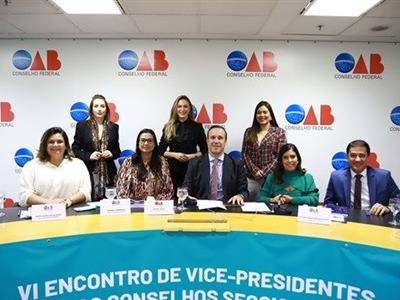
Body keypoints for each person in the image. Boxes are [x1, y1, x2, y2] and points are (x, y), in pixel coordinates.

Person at [324, 139, 400, 216]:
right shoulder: (336, 177)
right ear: (347, 157)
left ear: (368, 157)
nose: (357, 159)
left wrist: (388, 208)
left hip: (375, 220)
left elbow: (398, 200)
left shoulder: (384, 176)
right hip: (347, 221)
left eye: (362, 155)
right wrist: (340, 211)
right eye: (353, 155)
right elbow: (328, 203)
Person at [19, 127, 91, 207]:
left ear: (66, 145)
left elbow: (85, 192)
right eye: (51, 142)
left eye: (59, 142)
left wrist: (69, 200)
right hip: (42, 214)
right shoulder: (31, 166)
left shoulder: (78, 164)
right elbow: (25, 195)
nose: (55, 145)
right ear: (45, 145)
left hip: (72, 213)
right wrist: (50, 202)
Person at [183, 125, 248, 205]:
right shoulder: (194, 163)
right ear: (207, 141)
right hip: (201, 209)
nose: (216, 141)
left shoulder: (237, 164)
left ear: (225, 141)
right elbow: (185, 188)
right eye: (212, 137)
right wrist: (187, 196)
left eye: (220, 138)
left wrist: (240, 196)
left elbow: (244, 191)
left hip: (228, 207)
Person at [72, 94, 121, 201]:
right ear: (91, 109)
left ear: (106, 109)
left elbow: (117, 151)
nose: (99, 109)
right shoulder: (82, 126)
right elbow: (75, 149)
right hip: (89, 171)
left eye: (102, 106)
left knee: (109, 203)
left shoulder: (114, 127)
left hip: (109, 173)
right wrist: (89, 156)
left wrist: (111, 153)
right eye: (96, 106)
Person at [159, 95, 207, 197]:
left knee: (191, 197)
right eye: (179, 106)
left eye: (185, 106)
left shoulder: (197, 127)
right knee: (174, 198)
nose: (182, 109)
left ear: (190, 109)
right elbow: (160, 150)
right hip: (173, 170)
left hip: (192, 168)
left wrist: (190, 156)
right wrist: (175, 155)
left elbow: (205, 150)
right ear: (175, 109)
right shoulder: (168, 127)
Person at [242, 101, 287, 202]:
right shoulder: (249, 131)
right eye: (259, 112)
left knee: (269, 207)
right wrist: (255, 171)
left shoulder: (279, 132)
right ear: (255, 115)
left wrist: (263, 172)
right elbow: (244, 153)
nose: (262, 115)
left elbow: (280, 156)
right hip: (251, 178)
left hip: (271, 178)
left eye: (265, 112)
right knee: (250, 208)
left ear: (270, 115)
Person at [116, 129, 174, 200]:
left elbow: (168, 189)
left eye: (150, 141)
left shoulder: (162, 162)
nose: (146, 143)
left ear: (155, 144)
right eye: (143, 140)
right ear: (138, 143)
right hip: (134, 206)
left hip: (155, 206)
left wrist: (154, 203)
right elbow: (121, 188)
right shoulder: (128, 162)